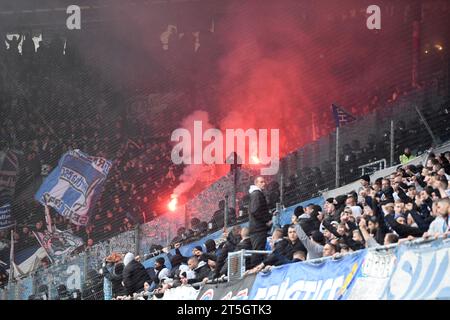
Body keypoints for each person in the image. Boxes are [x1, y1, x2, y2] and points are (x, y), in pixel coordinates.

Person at [248, 176, 272, 265]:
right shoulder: (256, 194)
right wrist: (267, 220)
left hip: (257, 228)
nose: (264, 184)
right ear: (256, 183)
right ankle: (255, 270)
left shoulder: (255, 194)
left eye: (264, 182)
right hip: (258, 228)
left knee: (258, 250)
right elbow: (255, 210)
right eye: (261, 182)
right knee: (258, 251)